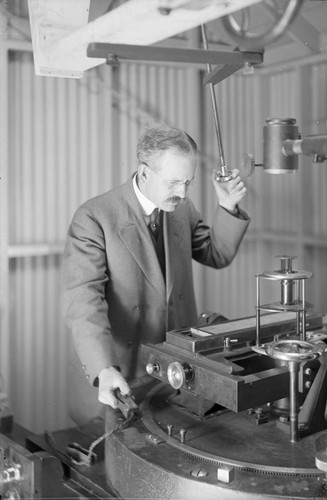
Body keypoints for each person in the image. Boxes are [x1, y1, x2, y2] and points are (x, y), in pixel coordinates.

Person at [60, 123, 250, 426]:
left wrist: (227, 206)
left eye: (188, 182)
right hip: (119, 378)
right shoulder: (94, 217)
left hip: (173, 374)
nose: (183, 193)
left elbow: (217, 254)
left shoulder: (180, 208)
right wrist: (103, 368)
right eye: (174, 182)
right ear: (144, 172)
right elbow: (82, 300)